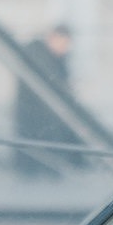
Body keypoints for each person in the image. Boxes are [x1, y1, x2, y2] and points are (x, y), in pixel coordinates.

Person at [12, 25, 78, 178]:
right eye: (63, 43)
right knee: (35, 150)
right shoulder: (38, 55)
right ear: (53, 38)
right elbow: (55, 84)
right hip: (35, 113)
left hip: (43, 115)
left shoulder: (53, 57)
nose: (65, 48)